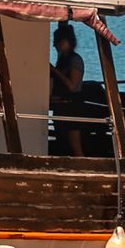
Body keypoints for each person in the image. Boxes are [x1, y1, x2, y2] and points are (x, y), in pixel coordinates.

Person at [50, 24, 89, 155]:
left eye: (57, 42)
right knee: (62, 142)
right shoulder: (62, 60)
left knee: (74, 144)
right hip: (61, 106)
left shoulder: (75, 60)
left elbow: (72, 85)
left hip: (73, 107)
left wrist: (54, 70)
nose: (54, 45)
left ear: (66, 42)